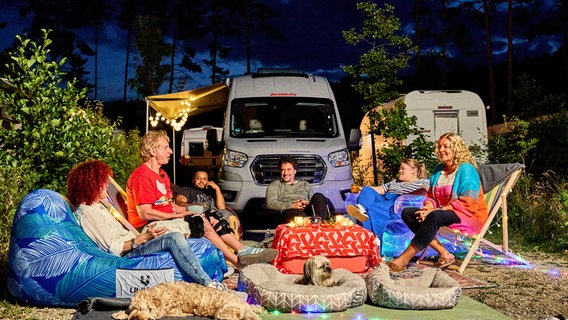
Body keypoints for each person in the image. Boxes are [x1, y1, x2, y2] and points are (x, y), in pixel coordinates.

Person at [67, 160, 228, 290]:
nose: (106, 186)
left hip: (136, 241)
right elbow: (112, 248)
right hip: (127, 256)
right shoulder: (88, 213)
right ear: (91, 185)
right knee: (173, 238)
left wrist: (147, 234)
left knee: (191, 227)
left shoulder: (100, 206)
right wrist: (144, 238)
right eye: (102, 182)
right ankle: (207, 283)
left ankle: (222, 268)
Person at [125, 130, 277, 268]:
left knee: (210, 216)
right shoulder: (142, 176)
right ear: (152, 151)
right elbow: (145, 213)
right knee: (200, 222)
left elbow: (169, 206)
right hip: (150, 228)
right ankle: (237, 261)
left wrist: (192, 209)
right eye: (165, 147)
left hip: (165, 220)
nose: (170, 151)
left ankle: (242, 250)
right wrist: (179, 215)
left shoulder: (162, 175)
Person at [386, 133, 488, 272]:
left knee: (434, 216)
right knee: (408, 213)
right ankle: (444, 252)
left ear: (456, 148)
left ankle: (404, 259)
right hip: (443, 213)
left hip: (468, 215)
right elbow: (431, 197)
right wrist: (427, 207)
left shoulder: (466, 169)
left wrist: (434, 211)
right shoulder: (438, 171)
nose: (441, 150)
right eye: (439, 146)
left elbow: (469, 203)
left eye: (446, 146)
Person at [346, 158, 430, 238]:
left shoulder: (422, 182)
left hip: (397, 207)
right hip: (385, 202)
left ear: (413, 170)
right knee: (367, 190)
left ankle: (368, 236)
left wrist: (405, 195)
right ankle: (361, 209)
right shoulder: (396, 181)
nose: (400, 171)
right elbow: (380, 189)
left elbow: (424, 192)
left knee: (370, 209)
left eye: (403, 168)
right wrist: (363, 190)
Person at [175, 169, 241, 240]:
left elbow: (222, 208)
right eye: (198, 178)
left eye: (204, 179)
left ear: (208, 180)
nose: (201, 181)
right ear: (193, 180)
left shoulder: (211, 191)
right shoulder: (187, 190)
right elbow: (180, 203)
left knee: (227, 215)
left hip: (217, 216)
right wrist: (195, 205)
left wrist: (217, 189)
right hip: (200, 217)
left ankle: (232, 237)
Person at [265, 156, 329, 223]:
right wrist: (292, 205)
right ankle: (308, 228)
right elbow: (270, 203)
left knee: (319, 196)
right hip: (289, 211)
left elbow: (312, 202)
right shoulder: (275, 185)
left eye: (289, 169)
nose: (286, 173)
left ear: (294, 171)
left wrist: (304, 203)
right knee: (299, 215)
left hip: (307, 210)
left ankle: (320, 227)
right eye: (283, 170)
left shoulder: (305, 184)